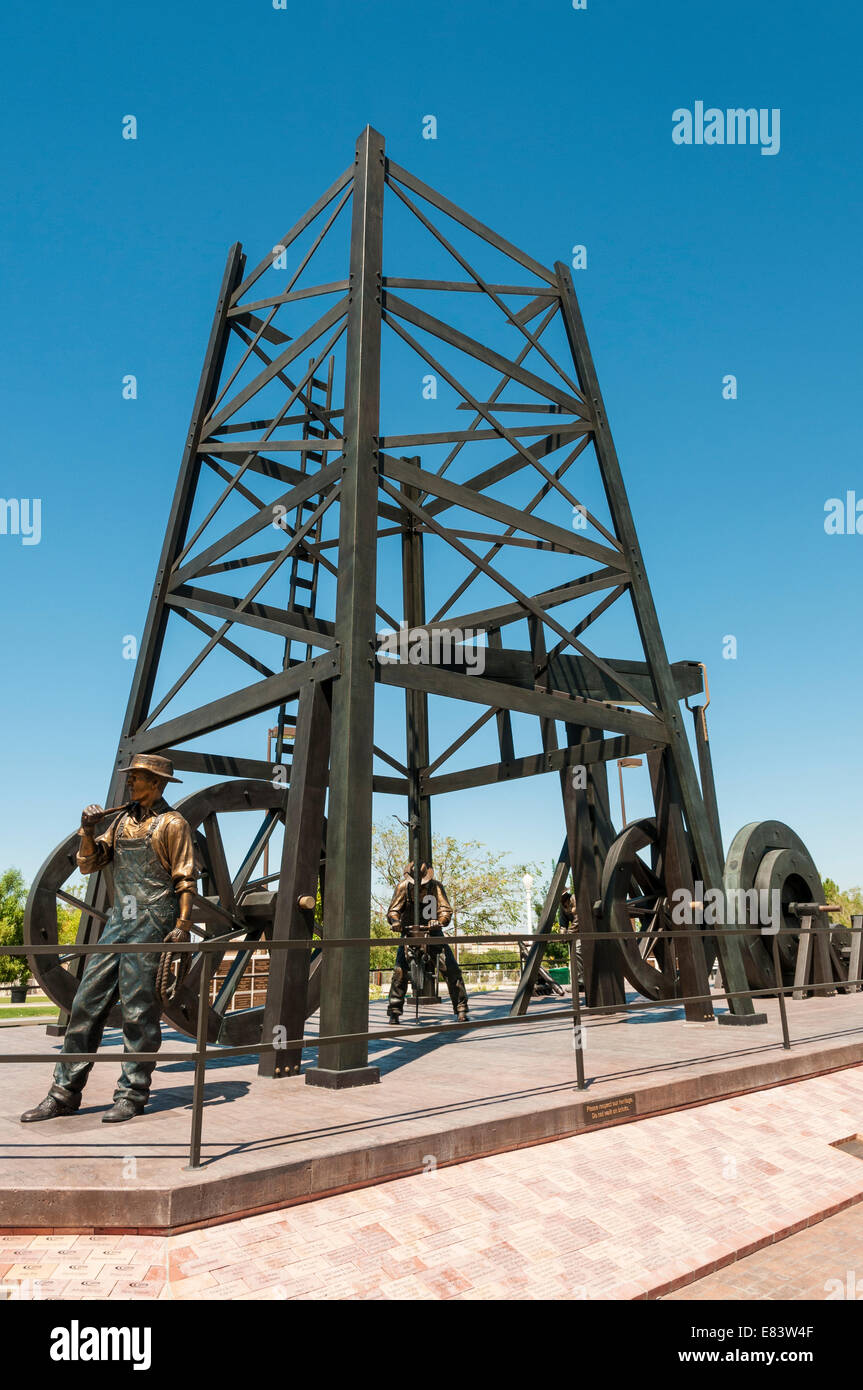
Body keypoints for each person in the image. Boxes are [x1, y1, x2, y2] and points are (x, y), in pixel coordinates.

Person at [20, 754, 197, 1124]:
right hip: (121, 919)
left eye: (136, 777)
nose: (130, 783)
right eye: (131, 776)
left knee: (139, 1010)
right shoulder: (119, 822)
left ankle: (131, 1094)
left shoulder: (173, 824)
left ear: (156, 783)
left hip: (154, 920)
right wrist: (87, 830)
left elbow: (185, 879)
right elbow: (89, 863)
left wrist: (181, 924)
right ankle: (62, 1094)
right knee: (85, 1003)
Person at [386, 862, 469, 1024]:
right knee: (399, 972)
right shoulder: (403, 887)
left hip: (433, 934)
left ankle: (461, 1008)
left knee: (451, 968)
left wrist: (439, 921)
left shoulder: (436, 887)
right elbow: (393, 910)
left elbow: (445, 909)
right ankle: (394, 1011)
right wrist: (395, 921)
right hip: (409, 934)